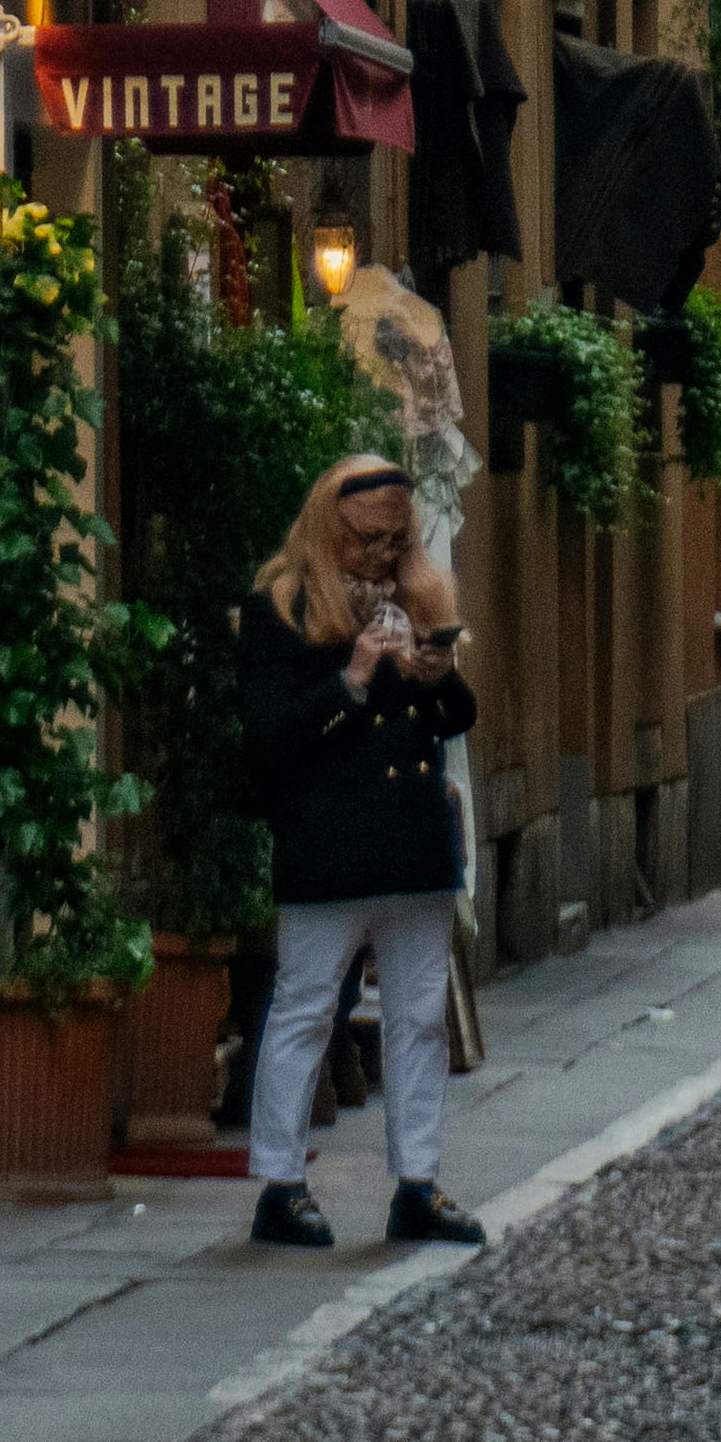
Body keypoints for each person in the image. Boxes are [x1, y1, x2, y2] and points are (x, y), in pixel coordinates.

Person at [233, 455, 491, 1253]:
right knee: (304, 1013)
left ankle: (417, 1182)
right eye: (367, 540)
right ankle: (279, 1184)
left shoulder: (419, 596)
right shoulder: (279, 609)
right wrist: (352, 679)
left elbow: (454, 719)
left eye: (395, 541)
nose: (382, 555)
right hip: (330, 845)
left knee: (418, 1021)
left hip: (411, 847)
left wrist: (437, 675)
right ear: (329, 528)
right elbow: (267, 742)